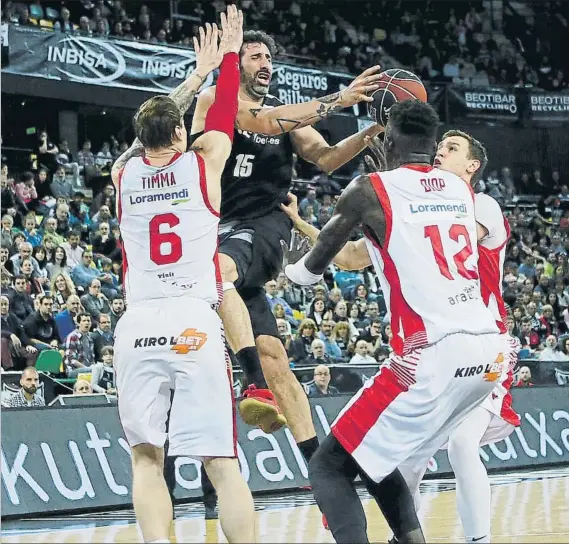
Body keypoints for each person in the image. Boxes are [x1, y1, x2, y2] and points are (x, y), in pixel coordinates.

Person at [285, 100, 505, 544]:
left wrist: (290, 265)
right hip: (488, 353)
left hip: (430, 354)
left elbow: (313, 267)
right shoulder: (463, 192)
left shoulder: (369, 190)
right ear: (432, 145)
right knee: (379, 457)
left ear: (387, 142)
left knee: (328, 465)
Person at [190, 27, 384, 461]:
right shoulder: (216, 105)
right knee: (274, 352)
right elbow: (256, 122)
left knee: (219, 271)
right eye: (256, 56)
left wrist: (369, 133)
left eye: (268, 58)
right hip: (215, 227)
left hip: (265, 225)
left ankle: (253, 384)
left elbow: (328, 156)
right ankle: (315, 457)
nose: (266, 64)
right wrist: (340, 99)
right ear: (235, 64)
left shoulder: (286, 115)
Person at [110, 9, 255, 544]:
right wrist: (224, 62)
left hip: (138, 326)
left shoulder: (123, 176)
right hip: (194, 322)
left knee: (146, 460)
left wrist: (192, 77)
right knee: (220, 462)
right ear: (178, 131)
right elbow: (221, 116)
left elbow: (141, 140)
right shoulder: (204, 162)